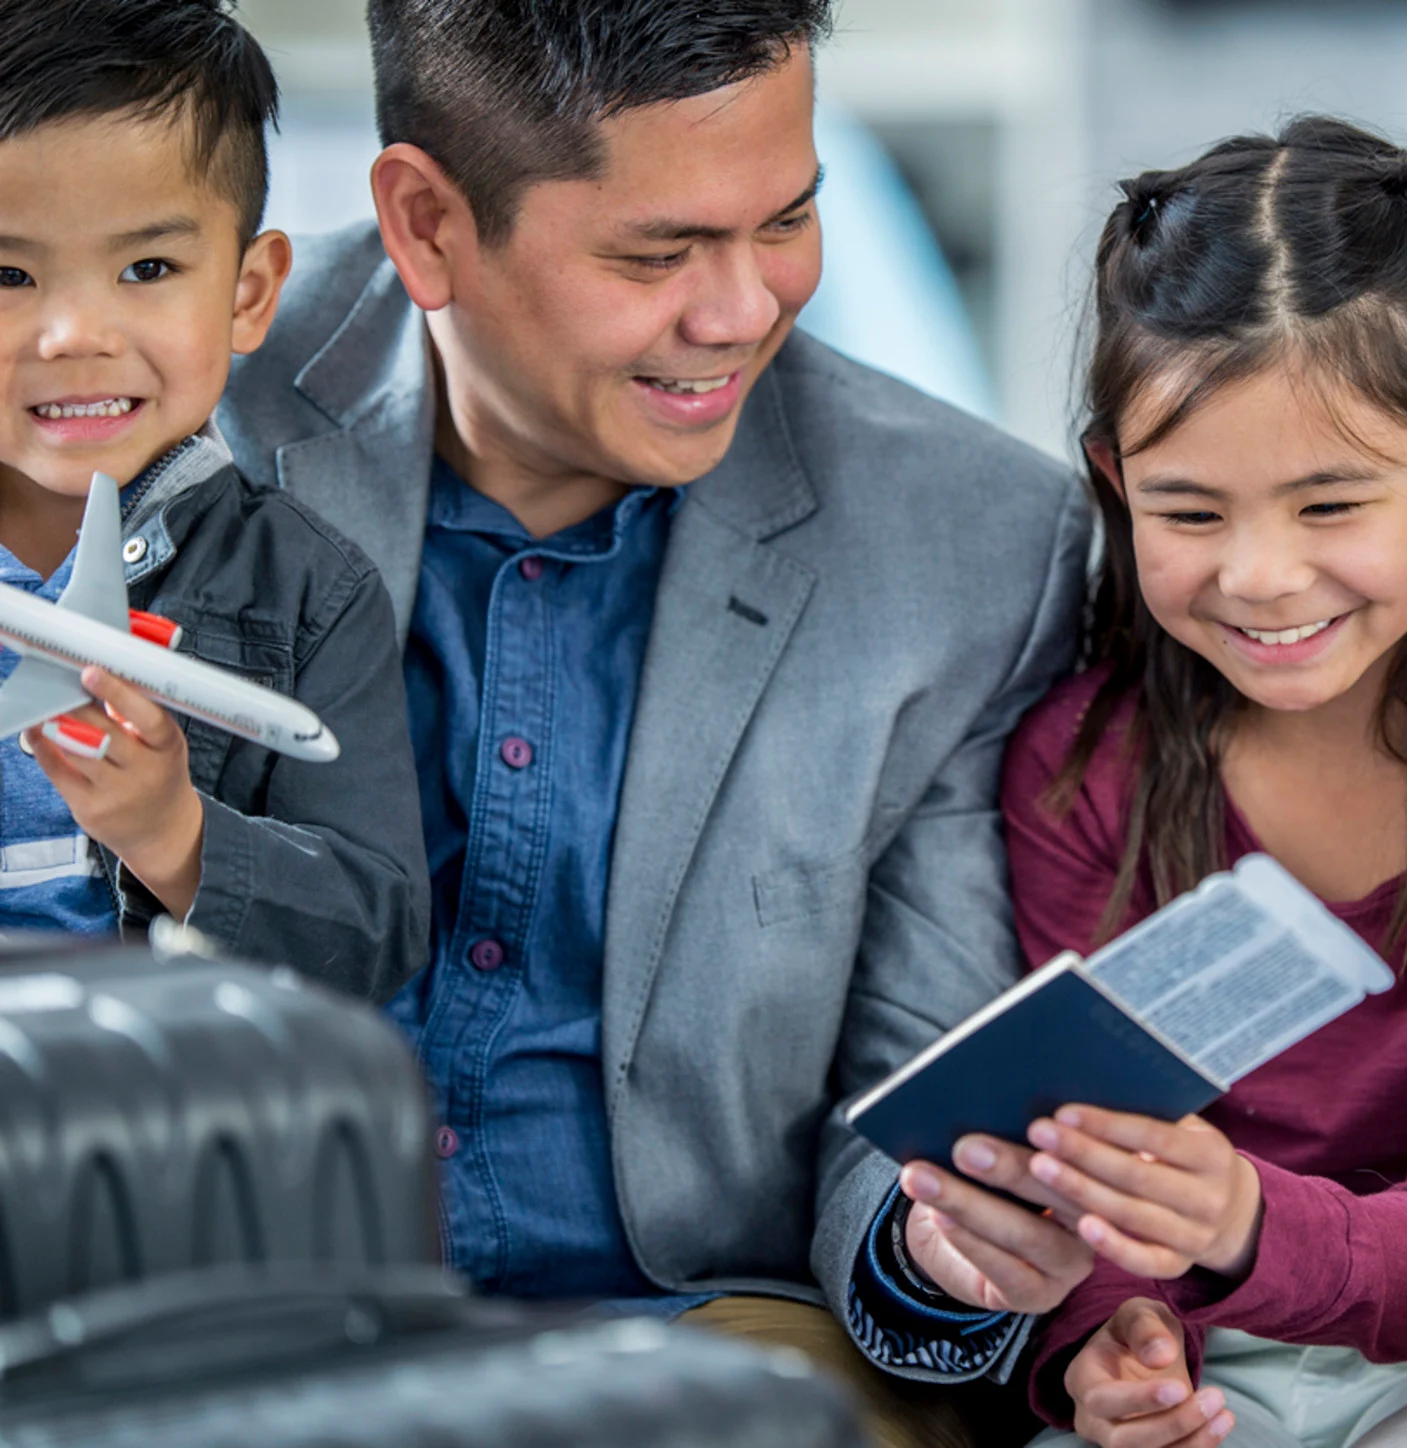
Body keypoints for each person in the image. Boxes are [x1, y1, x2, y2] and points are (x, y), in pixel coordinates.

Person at [214, 3, 1093, 1445]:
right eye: (659, 252)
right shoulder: (171, 408)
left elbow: (916, 1084)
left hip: (701, 1338)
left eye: (789, 220)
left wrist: (939, 1251)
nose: (743, 308)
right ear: (427, 221)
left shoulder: (976, 550)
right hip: (234, 1320)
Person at [911, 117, 1407, 1448]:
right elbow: (1092, 1163)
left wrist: (1241, 1217)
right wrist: (1109, 1348)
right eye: (1190, 514)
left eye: (1329, 505)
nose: (1258, 576)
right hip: (1210, 1361)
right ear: (1114, 483)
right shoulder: (1084, 769)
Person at [0, 0, 426, 998]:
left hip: (149, 1113)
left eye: (147, 267)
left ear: (247, 293)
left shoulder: (308, 592)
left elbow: (379, 934)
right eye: (6, 271)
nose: (74, 334)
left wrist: (173, 834)